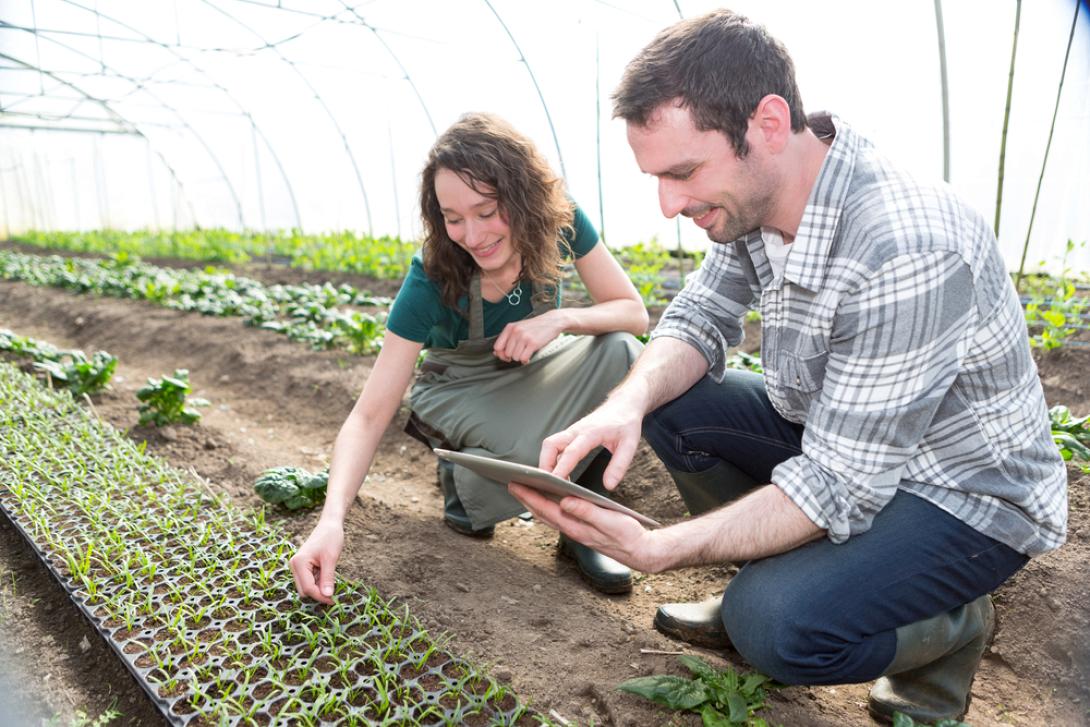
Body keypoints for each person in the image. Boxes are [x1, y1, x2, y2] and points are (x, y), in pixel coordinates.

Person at [508, 9, 1067, 724]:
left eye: (683, 172)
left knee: (773, 624)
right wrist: (624, 404)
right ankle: (791, 572)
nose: (670, 204)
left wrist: (657, 548)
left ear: (768, 124)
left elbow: (838, 485)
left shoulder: (905, 247)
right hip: (846, 445)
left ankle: (949, 628)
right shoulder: (760, 198)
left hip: (961, 494)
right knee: (669, 401)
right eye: (657, 177)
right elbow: (698, 316)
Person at [290, 112, 648, 601]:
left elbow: (632, 313)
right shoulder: (431, 275)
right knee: (535, 450)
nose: (472, 236)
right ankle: (466, 483)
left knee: (625, 354)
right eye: (453, 218)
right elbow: (369, 414)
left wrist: (560, 320)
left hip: (533, 367)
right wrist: (331, 520)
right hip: (459, 387)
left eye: (486, 211)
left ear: (523, 196)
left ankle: (584, 527)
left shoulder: (560, 219)